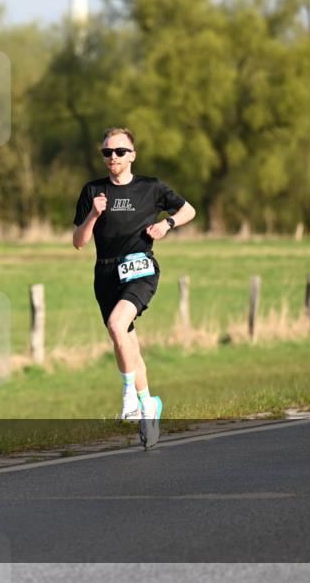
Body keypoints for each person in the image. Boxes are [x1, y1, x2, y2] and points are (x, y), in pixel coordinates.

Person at [72, 128, 196, 449]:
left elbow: (188, 209)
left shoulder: (150, 188)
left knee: (117, 324)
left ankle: (129, 398)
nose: (112, 157)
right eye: (107, 152)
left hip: (140, 267)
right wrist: (93, 215)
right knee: (127, 344)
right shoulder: (93, 191)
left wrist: (167, 224)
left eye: (119, 151)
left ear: (132, 155)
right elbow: (78, 242)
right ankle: (148, 406)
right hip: (106, 272)